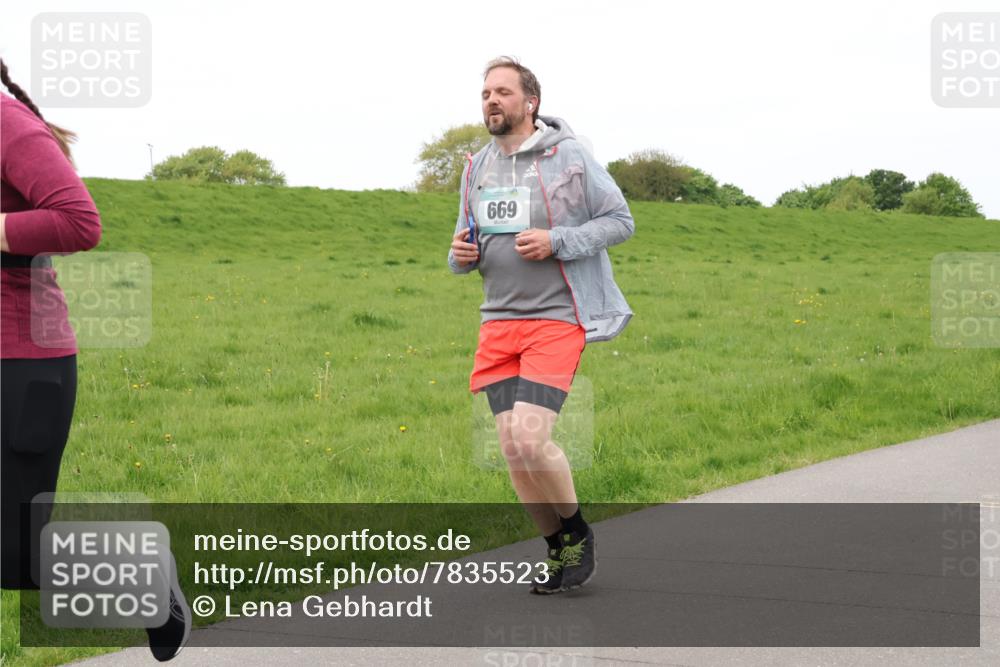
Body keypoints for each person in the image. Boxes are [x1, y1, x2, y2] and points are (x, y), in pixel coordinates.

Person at [0, 60, 190, 661]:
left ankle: (149, 582)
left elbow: (79, 221)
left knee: (19, 557)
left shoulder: (8, 125)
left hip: (22, 364)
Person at [448, 56, 634, 594]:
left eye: (502, 92)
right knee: (511, 447)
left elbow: (620, 221)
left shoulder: (569, 155)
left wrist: (557, 241)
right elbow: (466, 244)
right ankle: (558, 549)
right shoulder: (476, 167)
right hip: (498, 321)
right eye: (485, 92)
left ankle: (577, 532)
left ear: (530, 103)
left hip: (556, 316)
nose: (491, 100)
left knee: (529, 439)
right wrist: (460, 255)